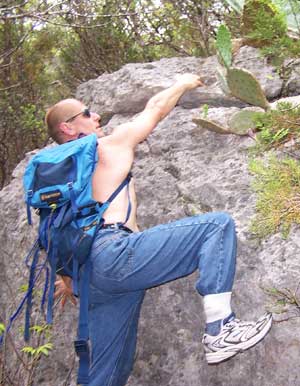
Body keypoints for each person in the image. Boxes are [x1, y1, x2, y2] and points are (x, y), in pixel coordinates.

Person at [47, 74, 272, 386]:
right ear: (67, 128)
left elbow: (53, 232)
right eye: (86, 113)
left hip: (89, 278)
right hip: (114, 252)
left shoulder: (56, 176)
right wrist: (183, 83)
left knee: (106, 375)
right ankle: (221, 328)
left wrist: (67, 278)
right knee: (215, 226)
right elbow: (154, 109)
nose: (95, 115)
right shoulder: (106, 147)